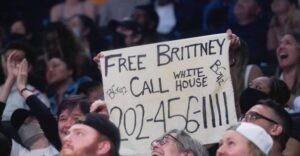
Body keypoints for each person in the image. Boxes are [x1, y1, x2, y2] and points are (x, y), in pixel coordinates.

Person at [0, 41, 49, 121]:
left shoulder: (37, 96)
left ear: (29, 67)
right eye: (7, 59)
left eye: (17, 59)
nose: (11, 63)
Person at [276, 31, 300, 114]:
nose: (281, 47)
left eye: (288, 43)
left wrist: (291, 100)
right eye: (279, 44)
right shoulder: (272, 84)